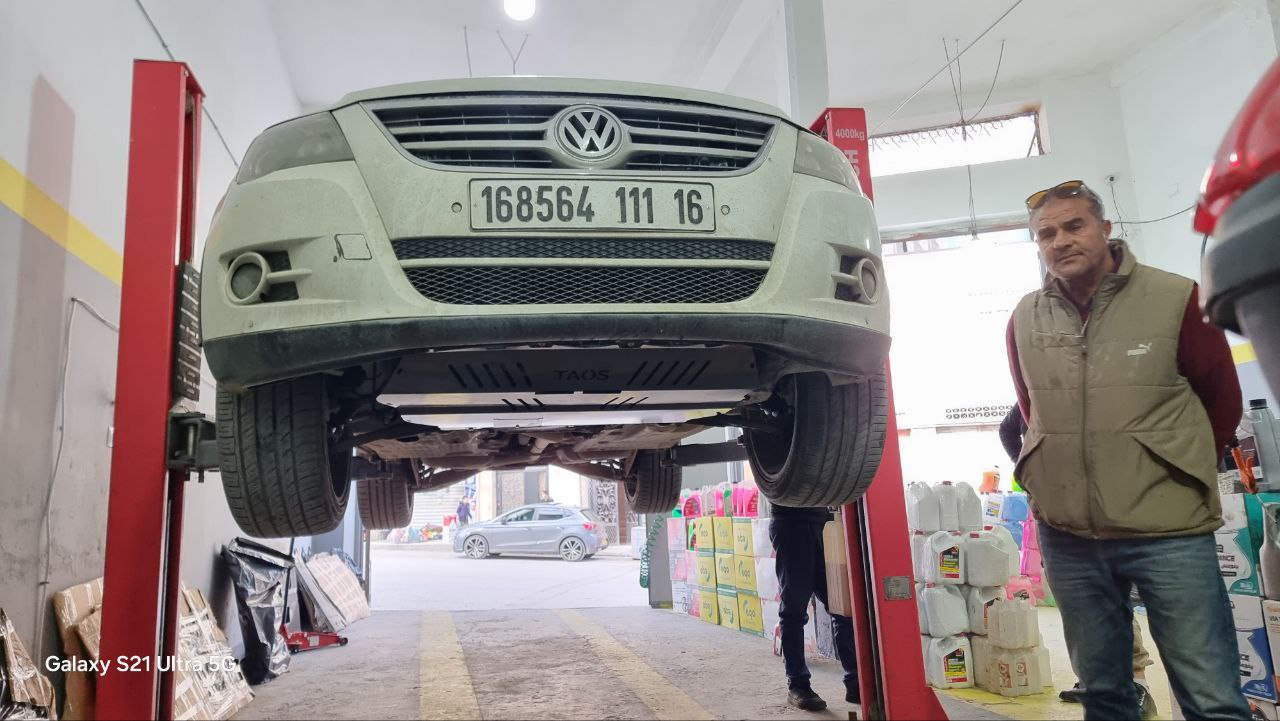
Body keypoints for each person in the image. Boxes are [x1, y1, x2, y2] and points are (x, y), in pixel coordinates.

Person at [1006, 180, 1248, 720]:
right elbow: (1031, 408)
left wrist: (1174, 470)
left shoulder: (1175, 297)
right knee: (1104, 695)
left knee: (1210, 697)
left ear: (1106, 229)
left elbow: (1221, 401)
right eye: (1046, 234)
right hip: (1069, 535)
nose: (1061, 241)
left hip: (1169, 531)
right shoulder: (1024, 317)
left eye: (1075, 225)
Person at [999, 404, 1157, 718]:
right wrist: (1029, 474)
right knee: (1077, 603)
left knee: (1112, 592)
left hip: (1103, 503)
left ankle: (1138, 684)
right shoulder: (1035, 393)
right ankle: (1094, 680)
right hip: (1055, 509)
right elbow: (1007, 431)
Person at [770, 504, 858, 712]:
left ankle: (856, 682)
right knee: (794, 612)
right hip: (791, 524)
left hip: (826, 524)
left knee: (842, 607)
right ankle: (798, 685)